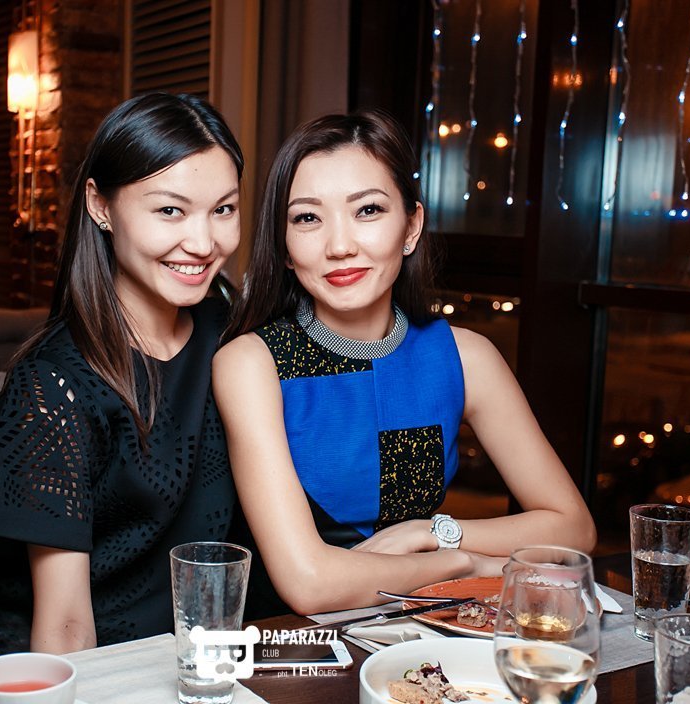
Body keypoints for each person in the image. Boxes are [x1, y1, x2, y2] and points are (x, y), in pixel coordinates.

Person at [0, 92, 244, 682]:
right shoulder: (56, 382)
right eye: (170, 210)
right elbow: (64, 629)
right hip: (36, 661)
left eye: (224, 209)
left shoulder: (232, 335)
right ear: (100, 205)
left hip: (188, 657)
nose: (204, 242)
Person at [214, 110, 596, 616]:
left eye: (368, 210)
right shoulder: (250, 363)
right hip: (294, 647)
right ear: (284, 246)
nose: (340, 246)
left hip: (427, 635)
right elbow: (309, 585)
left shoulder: (464, 357)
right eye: (307, 218)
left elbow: (574, 528)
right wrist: (463, 564)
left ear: (411, 227)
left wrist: (431, 533)